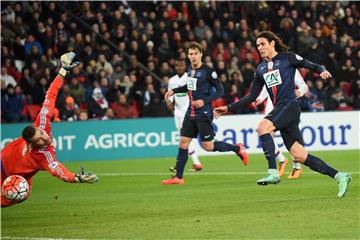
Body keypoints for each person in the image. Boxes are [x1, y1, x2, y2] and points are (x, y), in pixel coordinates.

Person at [214, 31, 351, 197]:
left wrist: (321, 70)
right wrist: (227, 108)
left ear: (272, 43)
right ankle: (340, 176)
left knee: (262, 127)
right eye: (257, 45)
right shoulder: (261, 69)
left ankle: (272, 171)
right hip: (280, 109)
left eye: (263, 44)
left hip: (290, 106)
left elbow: (311, 65)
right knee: (299, 156)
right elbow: (251, 96)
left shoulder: (287, 58)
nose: (260, 48)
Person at [1, 52, 98, 208]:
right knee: (19, 193)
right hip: (4, 167)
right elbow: (58, 170)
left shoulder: (42, 122)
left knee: (21, 194)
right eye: (37, 140)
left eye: (40, 133)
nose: (43, 137)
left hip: (13, 170)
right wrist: (75, 178)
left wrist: (63, 71)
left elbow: (51, 95)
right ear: (32, 145)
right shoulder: (41, 156)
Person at [162, 42, 249, 185]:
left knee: (208, 146)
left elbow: (220, 91)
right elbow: (188, 87)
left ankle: (237, 148)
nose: (193, 56)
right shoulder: (189, 70)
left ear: (201, 54)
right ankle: (178, 177)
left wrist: (205, 101)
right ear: (188, 56)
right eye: (191, 54)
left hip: (203, 113)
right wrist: (174, 91)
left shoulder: (209, 71)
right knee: (183, 142)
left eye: (196, 53)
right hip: (190, 112)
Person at [255, 69, 308, 179]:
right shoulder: (271, 68)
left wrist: (299, 92)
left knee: (293, 138)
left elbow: (304, 86)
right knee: (267, 136)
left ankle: (297, 166)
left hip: (286, 107)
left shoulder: (290, 68)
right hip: (272, 108)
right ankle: (282, 160)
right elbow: (268, 87)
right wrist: (260, 97)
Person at [166, 59, 203, 172]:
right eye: (177, 65)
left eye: (181, 65)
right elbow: (170, 97)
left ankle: (186, 164)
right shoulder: (172, 80)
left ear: (184, 66)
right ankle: (194, 163)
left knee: (184, 138)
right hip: (177, 112)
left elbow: (193, 92)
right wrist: (168, 102)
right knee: (183, 139)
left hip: (188, 111)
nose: (179, 67)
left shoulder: (189, 77)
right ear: (175, 67)